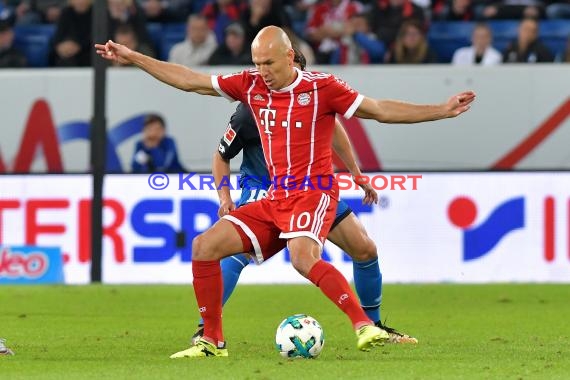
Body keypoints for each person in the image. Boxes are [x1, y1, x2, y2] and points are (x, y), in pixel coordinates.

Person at [95, 25, 475, 358]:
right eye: (257, 63)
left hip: (314, 192)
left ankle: (366, 325)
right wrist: (134, 57)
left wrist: (441, 109)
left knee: (313, 255)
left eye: (269, 64)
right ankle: (210, 339)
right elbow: (189, 79)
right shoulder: (250, 89)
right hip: (274, 197)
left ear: (290, 57)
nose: (262, 73)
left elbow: (378, 109)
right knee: (205, 247)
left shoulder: (322, 88)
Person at [191, 48, 417, 347]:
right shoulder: (251, 108)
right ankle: (206, 331)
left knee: (364, 248)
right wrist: (224, 196)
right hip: (264, 189)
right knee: (234, 254)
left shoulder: (312, 98)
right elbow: (222, 155)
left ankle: (374, 326)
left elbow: (334, 130)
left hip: (311, 188)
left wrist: (355, 171)